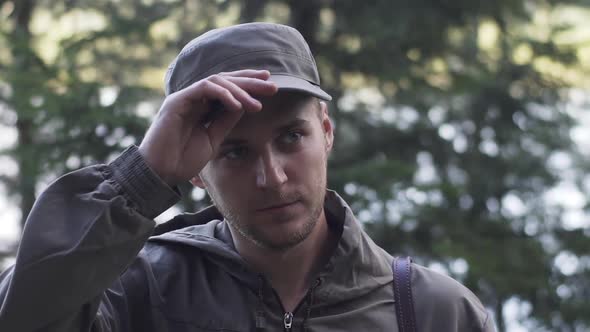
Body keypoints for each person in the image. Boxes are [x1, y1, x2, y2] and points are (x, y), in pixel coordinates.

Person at [0, 22, 494, 332]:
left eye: (290, 138)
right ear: (195, 172)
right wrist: (142, 176)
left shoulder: (433, 312)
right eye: (235, 151)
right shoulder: (137, 291)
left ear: (326, 133)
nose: (273, 178)